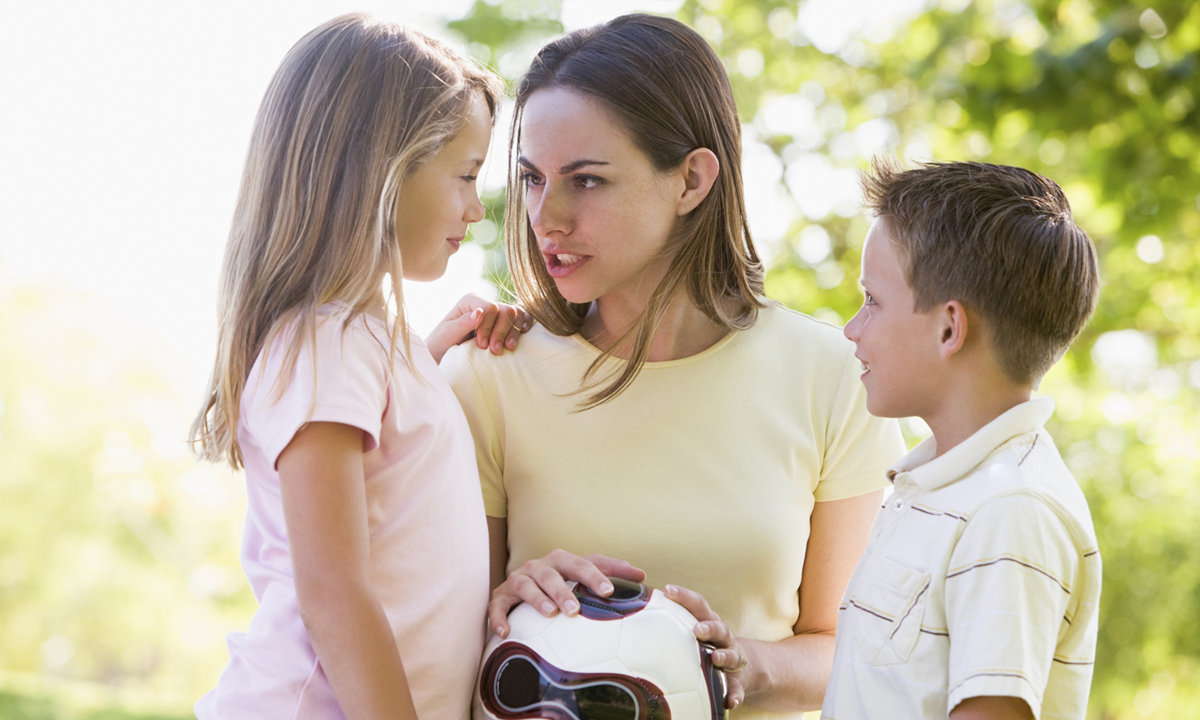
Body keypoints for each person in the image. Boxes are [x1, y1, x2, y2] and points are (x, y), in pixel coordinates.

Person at [441, 13, 904, 716]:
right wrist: (508, 606)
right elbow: (437, 641)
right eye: (532, 179)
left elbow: (851, 648)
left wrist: (746, 664)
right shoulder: (489, 376)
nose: (546, 217)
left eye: (587, 181)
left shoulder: (833, 376)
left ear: (692, 180)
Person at [188, 14, 529, 719]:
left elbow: (392, 479)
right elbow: (334, 591)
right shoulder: (327, 341)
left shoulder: (360, 343)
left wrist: (427, 358)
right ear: (381, 170)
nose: (475, 208)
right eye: (464, 175)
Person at [821, 159, 1102, 720]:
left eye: (872, 300)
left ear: (949, 328)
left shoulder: (1010, 513)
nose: (852, 328)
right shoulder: (934, 489)